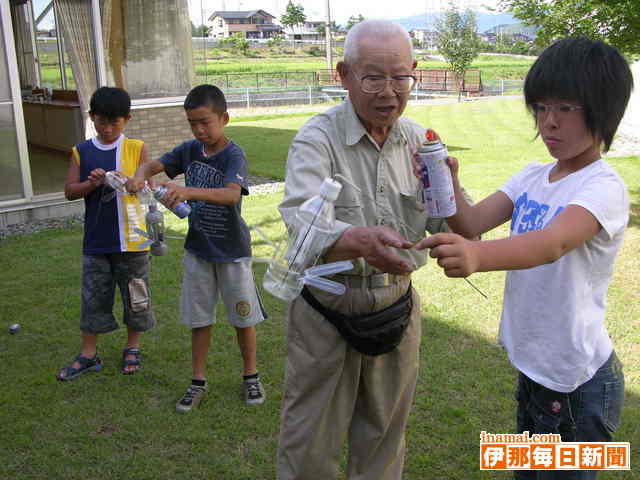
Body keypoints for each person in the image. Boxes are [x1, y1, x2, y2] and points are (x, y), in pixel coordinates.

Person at [417, 37, 633, 478]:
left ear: (603, 112)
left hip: (579, 381)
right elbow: (472, 223)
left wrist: (476, 257)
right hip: (536, 371)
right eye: (541, 107)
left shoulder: (602, 187)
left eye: (566, 108)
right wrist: (447, 182)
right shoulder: (532, 176)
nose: (549, 122)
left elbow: (552, 242)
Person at [276, 19, 471, 480]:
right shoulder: (317, 139)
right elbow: (302, 220)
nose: (389, 92)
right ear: (343, 75)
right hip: (326, 305)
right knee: (310, 441)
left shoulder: (421, 143)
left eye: (401, 77)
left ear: (414, 73)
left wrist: (452, 185)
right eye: (373, 77)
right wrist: (358, 240)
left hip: (396, 303)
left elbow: (457, 222)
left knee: (384, 435)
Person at [127, 84, 267, 412]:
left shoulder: (234, 154)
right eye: (193, 123)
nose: (199, 130)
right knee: (199, 318)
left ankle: (251, 376)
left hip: (232, 252)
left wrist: (188, 192)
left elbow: (233, 194)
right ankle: (197, 382)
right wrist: (138, 176)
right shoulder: (189, 150)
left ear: (225, 118)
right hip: (198, 251)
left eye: (205, 122)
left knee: (242, 318)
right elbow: (152, 167)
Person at [57, 86, 156, 380]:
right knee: (93, 298)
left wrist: (133, 182)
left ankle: (133, 347)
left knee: (135, 295)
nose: (108, 128)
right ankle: (89, 354)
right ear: (91, 118)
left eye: (115, 122)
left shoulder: (137, 148)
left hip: (134, 240)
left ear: (127, 119)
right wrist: (90, 184)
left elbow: (150, 187)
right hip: (97, 241)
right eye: (102, 122)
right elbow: (69, 191)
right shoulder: (82, 151)